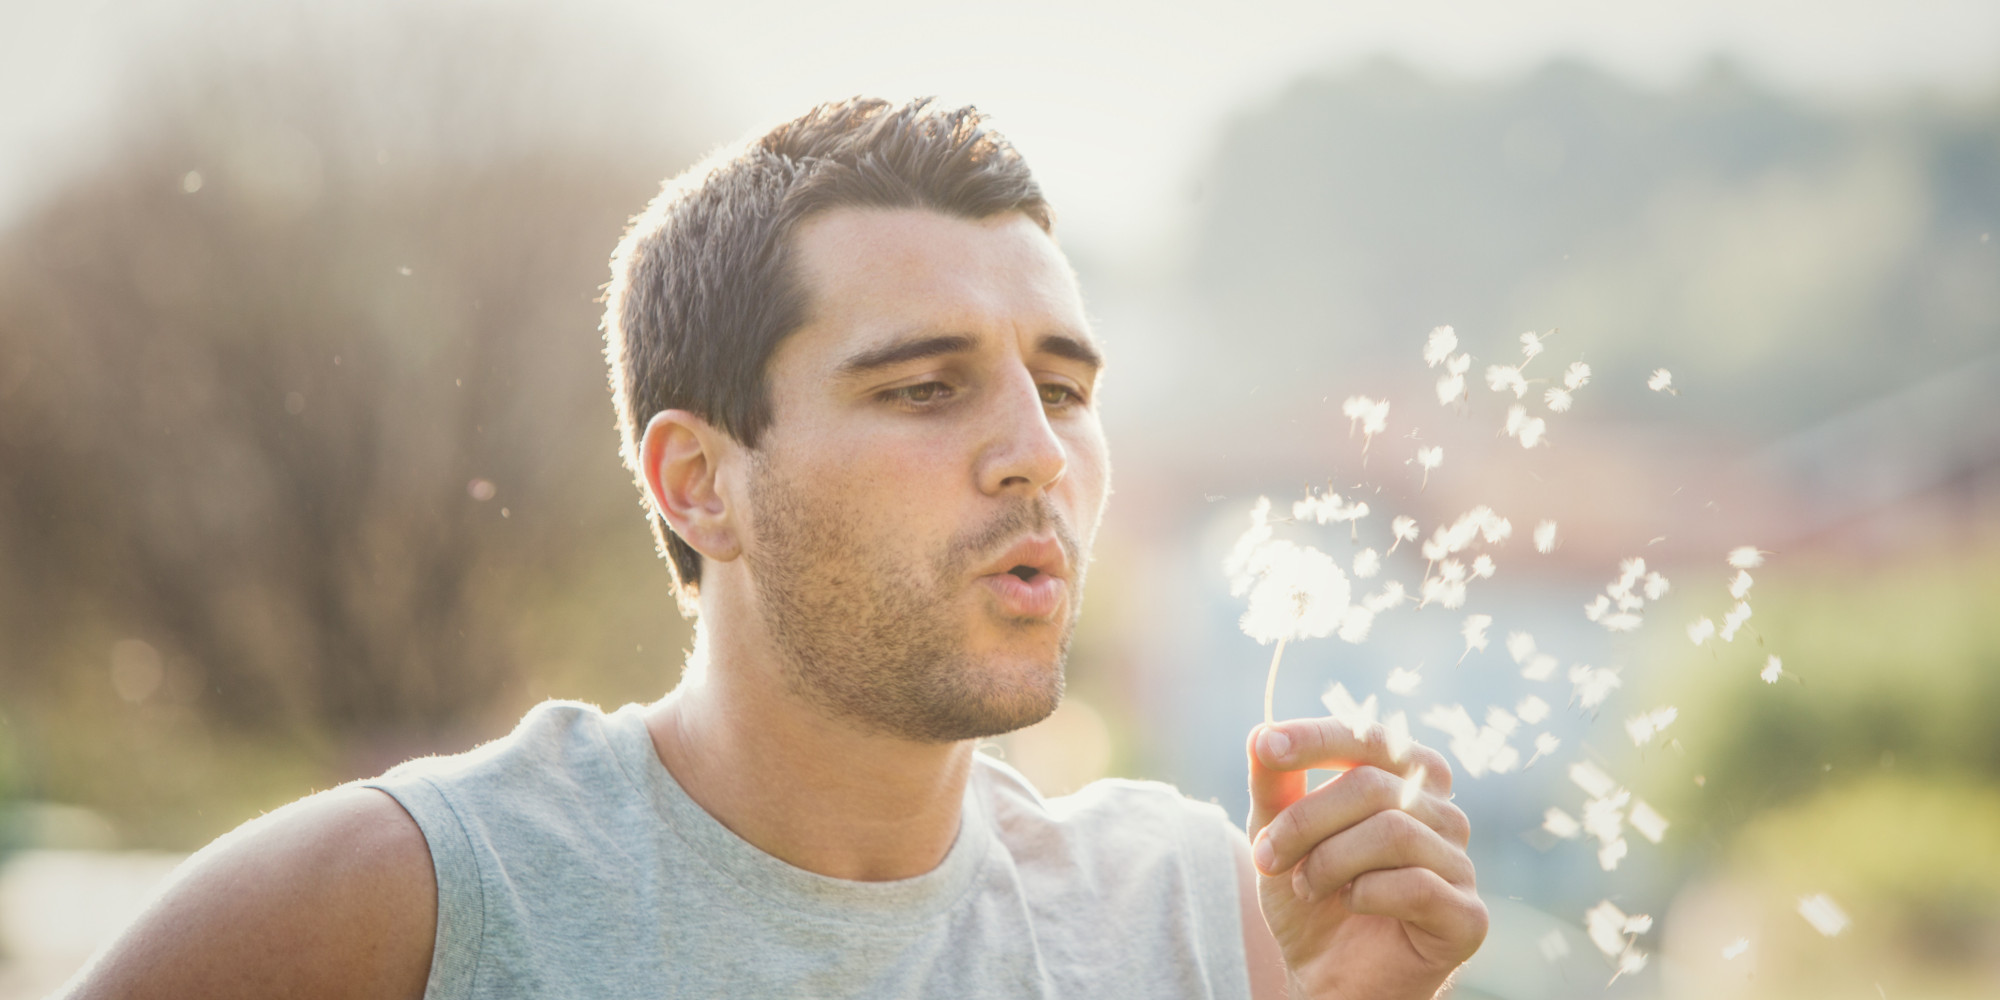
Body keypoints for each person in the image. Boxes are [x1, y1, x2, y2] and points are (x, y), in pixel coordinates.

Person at [62, 97, 1485, 999]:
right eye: (926, 388)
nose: (1038, 453)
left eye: (1062, 388)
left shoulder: (1205, 915)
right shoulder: (389, 910)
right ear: (699, 483)